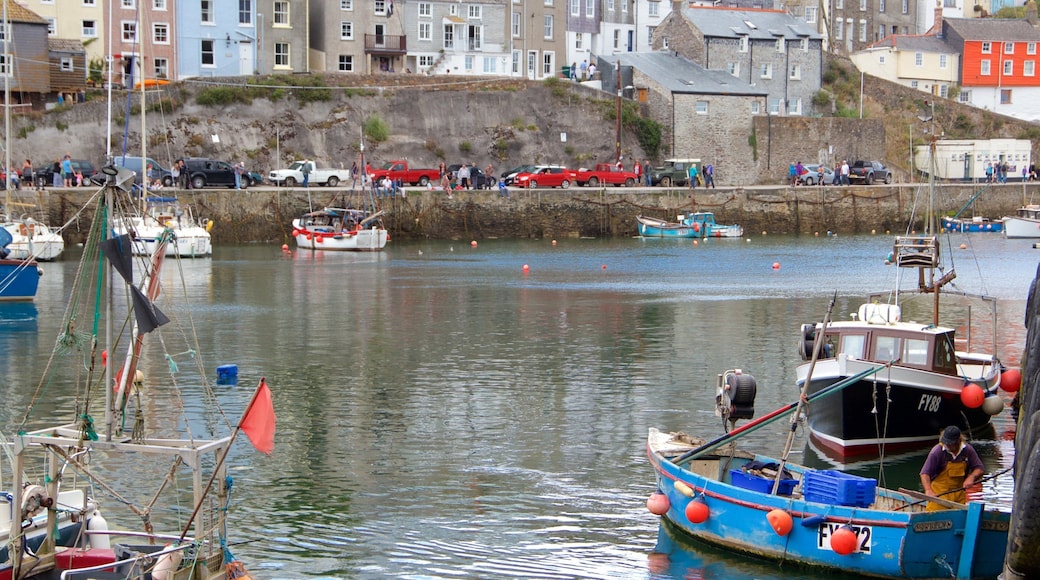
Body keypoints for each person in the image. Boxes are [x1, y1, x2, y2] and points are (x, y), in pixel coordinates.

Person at [920, 426, 984, 512]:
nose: (947, 445)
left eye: (950, 443)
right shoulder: (937, 451)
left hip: (959, 496)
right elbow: (924, 474)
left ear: (958, 441)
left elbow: (979, 468)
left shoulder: (967, 450)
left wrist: (971, 477)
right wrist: (928, 490)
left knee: (958, 519)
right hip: (939, 496)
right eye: (945, 443)